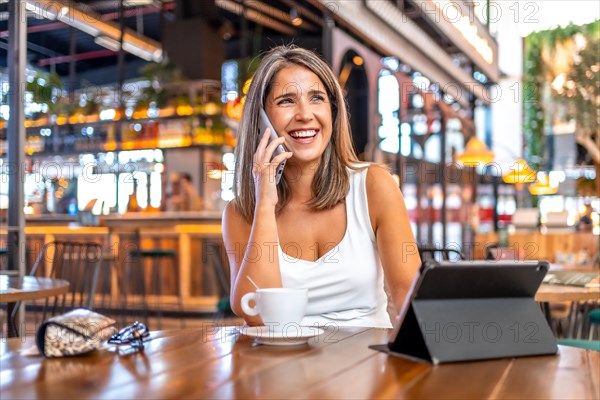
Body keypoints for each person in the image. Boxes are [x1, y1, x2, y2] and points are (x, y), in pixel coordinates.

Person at [222, 45, 421, 328]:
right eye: (286, 101)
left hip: (368, 365)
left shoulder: (375, 186)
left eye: (316, 98)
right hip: (281, 367)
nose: (305, 114)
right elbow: (258, 315)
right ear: (261, 120)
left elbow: (408, 298)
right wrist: (264, 203)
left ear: (332, 111)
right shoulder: (242, 212)